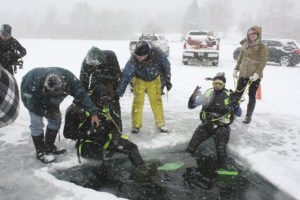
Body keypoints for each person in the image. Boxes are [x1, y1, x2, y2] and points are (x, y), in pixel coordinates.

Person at [21, 67, 100, 163]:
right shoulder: (34, 84)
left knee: (56, 119)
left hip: (48, 96)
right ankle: (41, 152)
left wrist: (93, 113)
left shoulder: (70, 80)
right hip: (31, 94)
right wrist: (44, 111)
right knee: (36, 123)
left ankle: (49, 146)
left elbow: (82, 95)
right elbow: (31, 104)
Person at [63, 84, 145, 168]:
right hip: (87, 141)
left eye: (106, 100)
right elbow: (67, 133)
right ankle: (102, 179)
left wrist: (115, 135)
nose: (104, 103)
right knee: (97, 155)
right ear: (94, 99)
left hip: (106, 138)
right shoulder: (77, 109)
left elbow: (115, 123)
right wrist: (88, 132)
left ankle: (142, 170)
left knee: (132, 147)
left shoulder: (106, 105)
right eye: (101, 101)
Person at [186, 73, 241, 172]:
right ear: (212, 83)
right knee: (191, 147)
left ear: (224, 84)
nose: (217, 86)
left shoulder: (229, 96)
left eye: (220, 84)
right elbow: (191, 106)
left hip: (222, 127)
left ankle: (222, 167)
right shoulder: (208, 94)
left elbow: (239, 113)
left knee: (221, 151)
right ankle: (183, 161)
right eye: (215, 83)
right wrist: (192, 97)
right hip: (207, 124)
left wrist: (235, 104)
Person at [117, 41, 172, 134]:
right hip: (140, 80)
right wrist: (119, 92)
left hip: (155, 79)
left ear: (147, 54)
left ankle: (161, 124)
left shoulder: (157, 55)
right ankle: (136, 125)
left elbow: (166, 66)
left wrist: (167, 80)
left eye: (141, 56)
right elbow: (126, 76)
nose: (138, 58)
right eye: (137, 56)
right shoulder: (133, 60)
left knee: (156, 102)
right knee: (138, 102)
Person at [80, 46, 122, 131]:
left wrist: (114, 93)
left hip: (110, 81)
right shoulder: (86, 62)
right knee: (95, 104)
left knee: (113, 104)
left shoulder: (111, 57)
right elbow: (83, 80)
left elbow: (117, 75)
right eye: (92, 65)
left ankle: (117, 129)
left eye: (96, 64)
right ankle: (98, 126)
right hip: (95, 81)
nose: (94, 66)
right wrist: (85, 96)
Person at [233, 25, 268, 124]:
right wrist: (236, 69)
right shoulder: (245, 44)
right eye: (249, 33)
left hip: (254, 76)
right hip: (243, 73)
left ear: (258, 34)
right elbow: (240, 58)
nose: (251, 35)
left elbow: (263, 61)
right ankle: (233, 113)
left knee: (251, 96)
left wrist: (257, 73)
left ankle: (248, 116)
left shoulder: (262, 47)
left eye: (254, 33)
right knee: (237, 95)